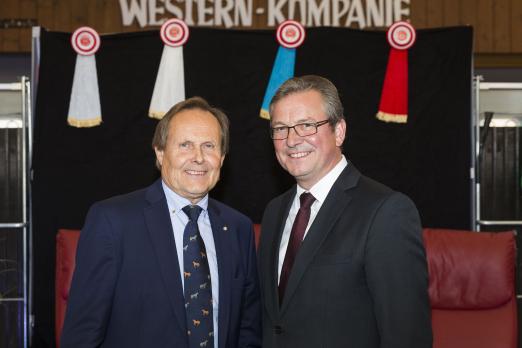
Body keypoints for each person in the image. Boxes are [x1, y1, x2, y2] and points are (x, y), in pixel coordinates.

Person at [61, 97, 262, 348]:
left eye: (209, 146)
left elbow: (248, 330)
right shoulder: (112, 222)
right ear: (160, 151)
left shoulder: (238, 228)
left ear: (222, 157)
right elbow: (82, 334)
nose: (198, 157)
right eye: (185, 145)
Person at [258, 75, 432, 348]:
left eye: (306, 125)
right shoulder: (273, 212)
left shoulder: (386, 212)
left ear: (339, 131)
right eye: (280, 128)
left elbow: (406, 336)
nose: (291, 140)